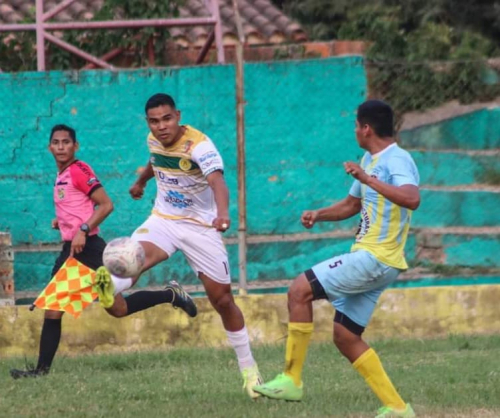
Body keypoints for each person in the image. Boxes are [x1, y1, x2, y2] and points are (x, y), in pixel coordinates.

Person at [253, 100, 420, 418]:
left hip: (375, 258)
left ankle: (291, 379)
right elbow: (351, 205)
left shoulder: (397, 160)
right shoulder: (369, 159)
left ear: (366, 128)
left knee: (298, 289)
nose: (355, 131)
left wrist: (369, 178)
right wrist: (319, 214)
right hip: (378, 261)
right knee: (345, 336)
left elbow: (412, 199)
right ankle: (398, 408)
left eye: (357, 126)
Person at [95, 93, 263, 398]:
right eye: (154, 121)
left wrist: (223, 214)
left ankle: (250, 371)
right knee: (133, 257)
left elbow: (218, 182)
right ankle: (114, 283)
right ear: (148, 122)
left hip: (201, 228)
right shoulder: (153, 139)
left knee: (222, 300)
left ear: (178, 116)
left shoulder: (200, 146)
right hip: (164, 220)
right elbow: (155, 160)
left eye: (167, 119)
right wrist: (142, 181)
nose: (161, 127)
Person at [10, 124, 195, 379]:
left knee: (112, 309)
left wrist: (83, 229)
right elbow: (78, 207)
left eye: (66, 142)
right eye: (56, 142)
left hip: (89, 250)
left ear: (76, 146)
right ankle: (171, 294)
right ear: (50, 147)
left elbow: (106, 205)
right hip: (73, 248)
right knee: (69, 308)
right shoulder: (62, 173)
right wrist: (64, 224)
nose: (61, 147)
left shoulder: (78, 170)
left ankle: (170, 294)